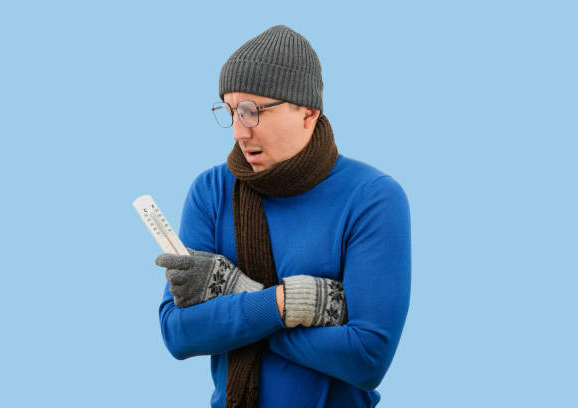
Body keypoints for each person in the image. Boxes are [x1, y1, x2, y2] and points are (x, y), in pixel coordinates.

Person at [155, 25, 411, 408]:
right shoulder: (211, 192)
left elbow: (365, 359)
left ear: (307, 112)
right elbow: (178, 334)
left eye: (251, 111)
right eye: (229, 111)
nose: (239, 132)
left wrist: (236, 299)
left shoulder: (372, 197)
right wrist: (284, 303)